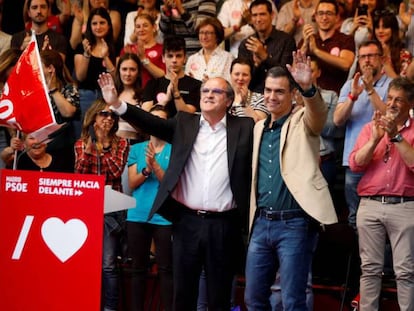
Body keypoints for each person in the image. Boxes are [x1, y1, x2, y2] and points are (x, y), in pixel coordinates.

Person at [98, 72, 254, 311]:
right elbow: (152, 123)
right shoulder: (185, 123)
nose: (209, 95)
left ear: (229, 101)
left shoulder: (245, 127)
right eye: (205, 91)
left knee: (219, 298)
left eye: (216, 91)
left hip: (224, 225)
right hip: (186, 222)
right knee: (182, 296)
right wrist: (118, 104)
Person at [244, 50, 338, 311]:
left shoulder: (302, 121)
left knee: (293, 300)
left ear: (292, 95)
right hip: (261, 222)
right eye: (268, 90)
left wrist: (308, 88)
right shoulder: (258, 127)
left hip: (294, 222)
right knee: (253, 300)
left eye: (279, 91)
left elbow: (318, 115)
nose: (272, 96)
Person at [349, 77, 414, 311]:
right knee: (369, 270)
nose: (393, 103)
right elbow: (356, 163)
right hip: (370, 205)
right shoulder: (370, 128)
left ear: (410, 104)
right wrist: (376, 138)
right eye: (390, 98)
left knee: (406, 271)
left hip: (405, 206)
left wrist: (396, 136)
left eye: (399, 100)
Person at [74, 98, 129, 311]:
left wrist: (102, 145)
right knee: (86, 263)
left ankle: (110, 308)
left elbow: (115, 172)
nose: (108, 118)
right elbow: (80, 173)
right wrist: (93, 145)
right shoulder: (80, 143)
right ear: (94, 117)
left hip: (111, 211)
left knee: (107, 265)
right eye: (103, 114)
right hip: (86, 209)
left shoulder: (122, 143)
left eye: (112, 115)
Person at [333, 40, 393, 229]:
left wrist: (369, 90)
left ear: (382, 59)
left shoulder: (392, 85)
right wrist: (353, 96)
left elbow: (391, 118)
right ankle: (361, 258)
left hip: (385, 160)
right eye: (363, 57)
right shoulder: (350, 85)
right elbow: (337, 120)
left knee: (383, 219)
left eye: (371, 56)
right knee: (355, 217)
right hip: (355, 161)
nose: (367, 61)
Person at [126, 105, 173, 311]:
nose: (156, 123)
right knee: (138, 269)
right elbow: (132, 183)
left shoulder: (174, 148)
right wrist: (146, 168)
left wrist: (155, 166)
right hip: (137, 216)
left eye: (161, 119)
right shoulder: (137, 148)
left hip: (164, 217)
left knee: (166, 269)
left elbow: (171, 184)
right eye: (153, 118)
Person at [73, 7, 116, 138]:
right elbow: (80, 76)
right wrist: (87, 54)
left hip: (106, 98)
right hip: (86, 96)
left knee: (103, 137)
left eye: (102, 23)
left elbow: (116, 79)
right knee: (84, 136)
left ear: (108, 25)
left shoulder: (115, 47)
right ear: (89, 26)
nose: (98, 27)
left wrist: (105, 56)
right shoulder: (82, 46)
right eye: (94, 23)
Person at [238, 0, 296, 93]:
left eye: (262, 14)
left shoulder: (286, 40)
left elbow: (286, 75)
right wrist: (256, 66)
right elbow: (244, 81)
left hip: (279, 94)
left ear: (272, 15)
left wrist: (265, 57)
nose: (258, 19)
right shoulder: (246, 44)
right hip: (253, 96)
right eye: (254, 15)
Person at [300, 0, 355, 94]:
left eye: (329, 13)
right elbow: (294, 69)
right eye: (320, 13)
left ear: (337, 17)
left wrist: (316, 51)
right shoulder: (308, 39)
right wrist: (304, 46)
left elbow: (346, 64)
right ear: (315, 17)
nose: (324, 17)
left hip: (336, 96)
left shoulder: (345, 39)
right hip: (308, 95)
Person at [40, 49, 80, 172]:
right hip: (39, 148)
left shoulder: (68, 88)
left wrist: (53, 90)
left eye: (39, 65)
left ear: (50, 68)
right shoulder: (35, 90)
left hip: (62, 150)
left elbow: (68, 112)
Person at [141, 36, 201, 116]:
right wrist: (165, 100)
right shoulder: (153, 84)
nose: (174, 60)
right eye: (170, 56)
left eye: (178, 56)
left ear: (185, 58)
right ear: (163, 58)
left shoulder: (195, 85)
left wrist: (176, 93)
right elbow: (145, 115)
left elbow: (188, 115)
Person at [121, 13, 165, 88]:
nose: (141, 29)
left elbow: (163, 76)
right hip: (132, 93)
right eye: (138, 27)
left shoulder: (162, 49)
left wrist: (144, 60)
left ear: (154, 27)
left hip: (155, 92)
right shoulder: (128, 49)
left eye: (145, 25)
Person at [185, 17, 234, 83]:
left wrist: (211, 84)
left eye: (208, 33)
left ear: (217, 36)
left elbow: (230, 85)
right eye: (201, 33)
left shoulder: (228, 58)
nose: (204, 37)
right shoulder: (192, 59)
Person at [373, 9, 412, 78]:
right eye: (377, 27)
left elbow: (401, 87)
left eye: (385, 27)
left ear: (393, 29)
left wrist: (385, 62)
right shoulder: (369, 52)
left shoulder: (404, 55)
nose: (380, 31)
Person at [229, 57, 268, 122]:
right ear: (230, 75)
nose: (240, 78)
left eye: (245, 75)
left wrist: (245, 104)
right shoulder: (223, 97)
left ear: (250, 77)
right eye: (237, 74)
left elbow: (259, 124)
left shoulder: (260, 99)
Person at [2, 133, 68, 171]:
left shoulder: (60, 161)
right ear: (24, 143)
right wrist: (11, 149)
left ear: (47, 142)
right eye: (31, 138)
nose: (36, 142)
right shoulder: (19, 159)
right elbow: (5, 157)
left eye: (40, 137)